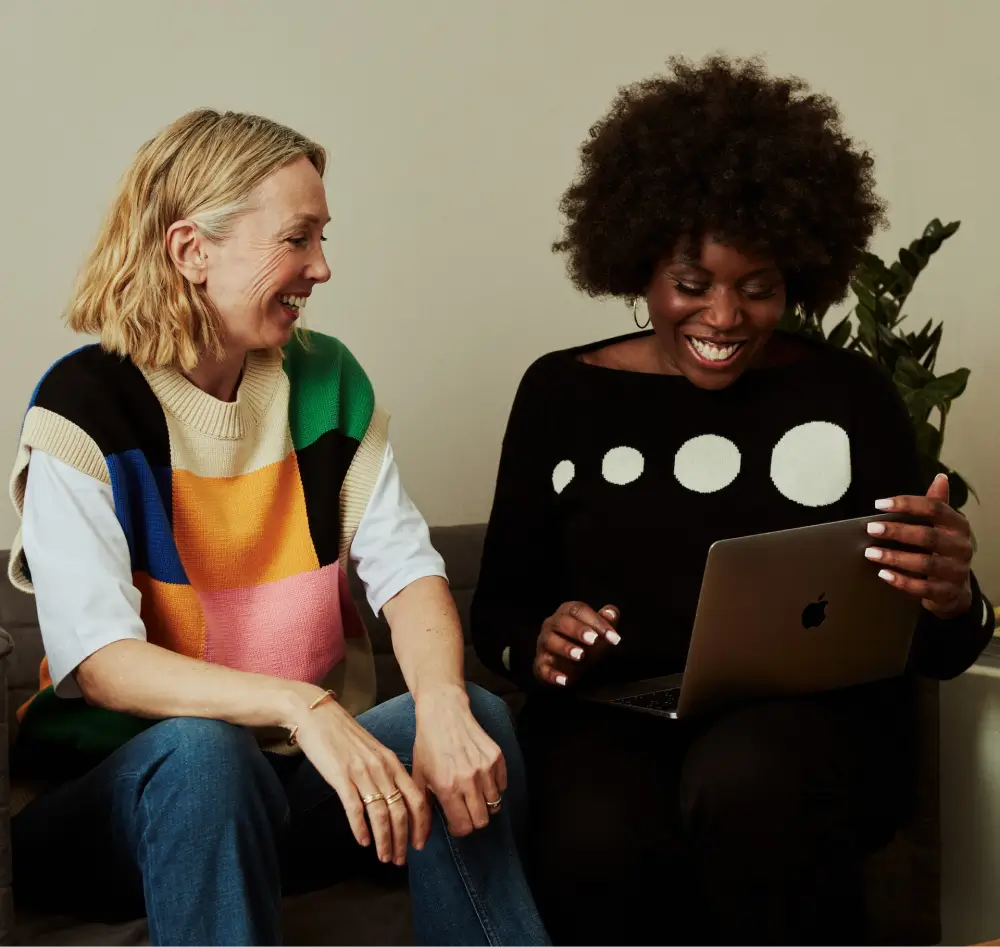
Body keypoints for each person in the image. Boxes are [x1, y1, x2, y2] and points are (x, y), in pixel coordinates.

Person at [471, 56, 994, 946]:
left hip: (810, 730)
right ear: (639, 265)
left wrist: (952, 592)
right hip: (609, 718)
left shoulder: (850, 394)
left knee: (750, 779)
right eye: (692, 283)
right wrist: (543, 638)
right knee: (595, 834)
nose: (724, 316)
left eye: (759, 288)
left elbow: (939, 646)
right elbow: (500, 612)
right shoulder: (561, 393)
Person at [8, 109, 551, 947]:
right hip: (117, 810)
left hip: (297, 793)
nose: (321, 268)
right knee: (202, 756)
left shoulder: (327, 380)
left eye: (321, 238)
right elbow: (108, 665)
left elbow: (408, 575)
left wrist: (440, 703)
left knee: (470, 711)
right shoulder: (82, 409)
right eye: (297, 239)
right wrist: (302, 707)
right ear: (192, 251)